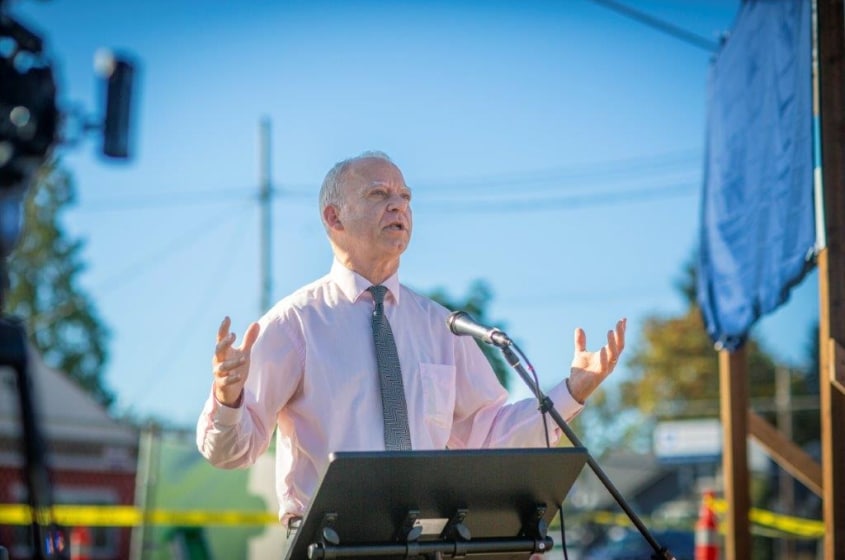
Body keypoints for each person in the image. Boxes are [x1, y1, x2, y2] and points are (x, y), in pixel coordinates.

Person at [196, 150, 626, 555]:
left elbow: (490, 435)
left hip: (428, 546)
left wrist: (572, 390)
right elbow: (231, 451)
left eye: (405, 197)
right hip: (330, 546)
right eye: (379, 194)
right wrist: (228, 399)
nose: (397, 206)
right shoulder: (295, 323)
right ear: (333, 217)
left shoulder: (444, 327)